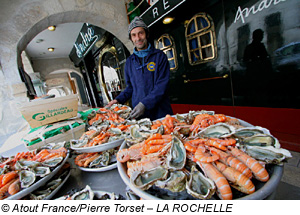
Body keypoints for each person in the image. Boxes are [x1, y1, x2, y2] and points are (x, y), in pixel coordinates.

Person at [106, 16, 173, 120]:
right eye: (134, 35)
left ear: (147, 34)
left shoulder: (160, 56)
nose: (138, 38)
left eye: (140, 33)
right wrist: (118, 100)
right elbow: (130, 88)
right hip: (140, 115)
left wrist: (144, 104)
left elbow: (161, 86)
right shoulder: (129, 62)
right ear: (131, 38)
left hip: (161, 113)